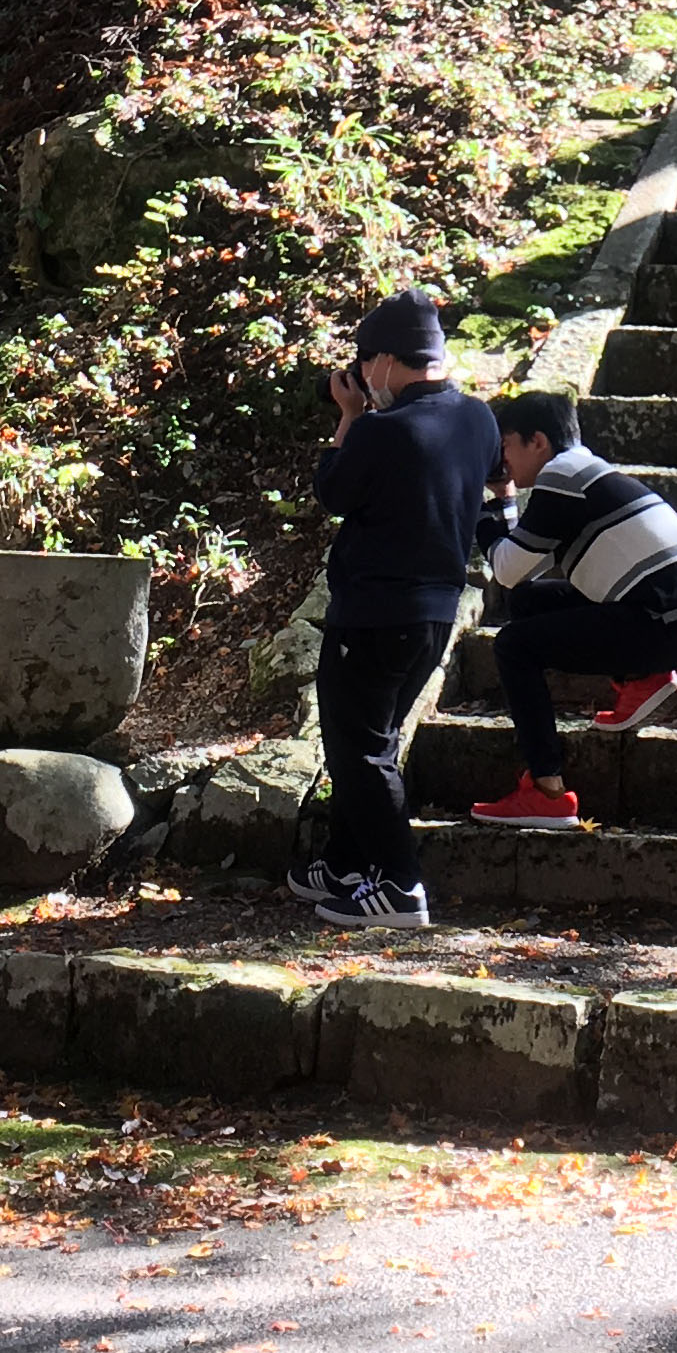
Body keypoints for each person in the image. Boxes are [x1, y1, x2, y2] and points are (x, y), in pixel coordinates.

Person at [285, 288, 500, 928]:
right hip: (435, 612)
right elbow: (498, 481)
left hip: (374, 612)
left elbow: (333, 490)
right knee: (371, 742)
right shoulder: (480, 419)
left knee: (358, 749)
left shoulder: (382, 429)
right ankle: (351, 863)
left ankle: (401, 885)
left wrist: (349, 414)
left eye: (366, 362)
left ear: (383, 360)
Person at [469, 389, 677, 829]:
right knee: (528, 602)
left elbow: (505, 567)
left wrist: (487, 511)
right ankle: (643, 677)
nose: (503, 459)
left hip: (657, 621)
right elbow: (521, 575)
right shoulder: (583, 473)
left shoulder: (561, 479)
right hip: (673, 613)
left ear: (538, 442)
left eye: (507, 445)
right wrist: (505, 502)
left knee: (513, 647)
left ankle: (546, 789)